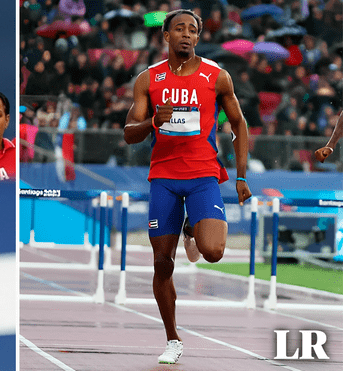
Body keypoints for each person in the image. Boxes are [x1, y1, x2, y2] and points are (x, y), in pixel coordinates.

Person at [123, 9, 252, 365]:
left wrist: (241, 176)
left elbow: (240, 124)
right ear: (165, 35)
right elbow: (128, 133)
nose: (185, 35)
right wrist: (152, 122)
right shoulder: (148, 80)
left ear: (198, 37)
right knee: (162, 265)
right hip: (164, 177)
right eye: (178, 28)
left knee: (213, 251)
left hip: (203, 175)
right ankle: (173, 337)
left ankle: (191, 227)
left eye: (192, 30)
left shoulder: (217, 76)